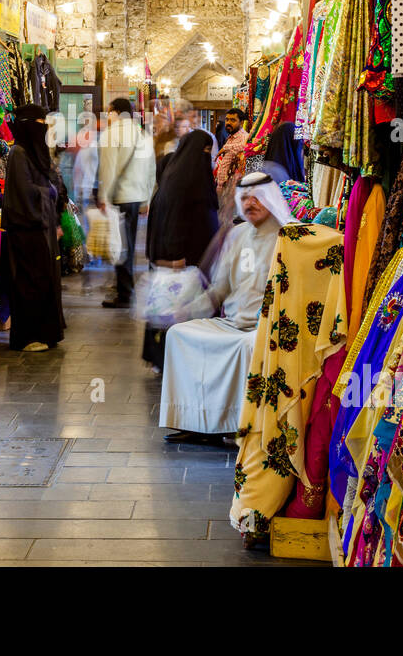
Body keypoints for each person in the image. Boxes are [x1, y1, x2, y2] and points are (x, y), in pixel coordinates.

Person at [159, 172, 296, 445]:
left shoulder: (289, 237)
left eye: (257, 197)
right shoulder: (237, 235)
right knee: (178, 334)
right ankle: (194, 422)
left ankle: (239, 425)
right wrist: (184, 311)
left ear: (270, 198)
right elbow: (218, 290)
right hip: (231, 322)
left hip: (267, 327)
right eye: (244, 198)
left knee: (248, 346)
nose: (250, 204)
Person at [143, 129, 220, 371]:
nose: (207, 156)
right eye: (205, 151)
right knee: (179, 310)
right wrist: (175, 257)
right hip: (184, 262)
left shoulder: (175, 178)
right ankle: (173, 359)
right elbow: (175, 222)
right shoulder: (186, 184)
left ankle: (165, 357)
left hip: (184, 260)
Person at [2, 103, 67, 352]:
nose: (44, 130)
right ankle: (28, 336)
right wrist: (49, 192)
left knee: (45, 280)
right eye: (40, 125)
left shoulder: (35, 152)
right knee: (30, 283)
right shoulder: (18, 153)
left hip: (42, 227)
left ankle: (46, 332)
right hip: (26, 229)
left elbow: (51, 182)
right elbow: (24, 192)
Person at [97, 98, 156, 309]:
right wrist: (147, 199)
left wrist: (103, 197)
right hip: (136, 196)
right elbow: (151, 170)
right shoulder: (143, 135)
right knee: (127, 245)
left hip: (120, 197)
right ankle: (126, 288)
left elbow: (109, 169)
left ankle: (125, 293)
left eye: (108, 111)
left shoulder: (111, 134)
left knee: (121, 245)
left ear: (115, 112)